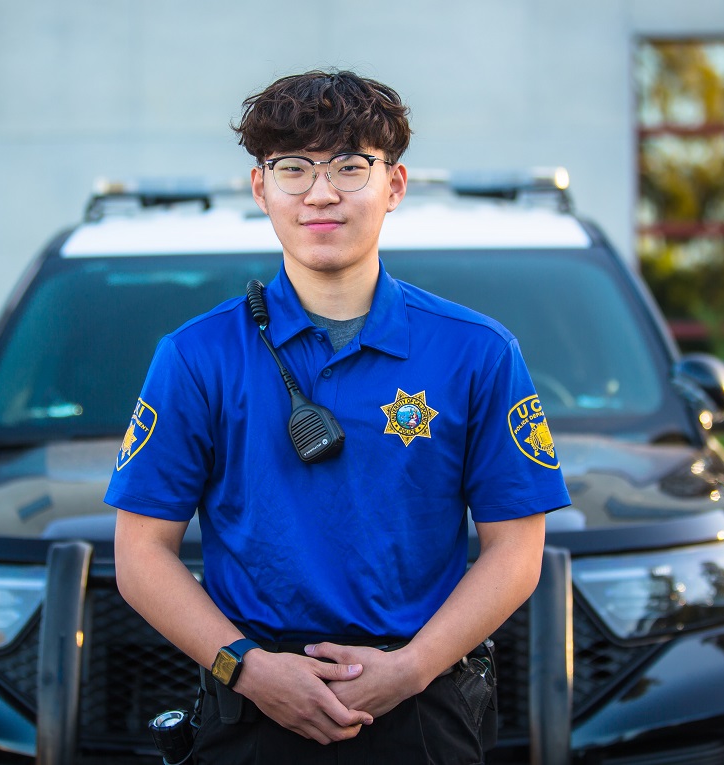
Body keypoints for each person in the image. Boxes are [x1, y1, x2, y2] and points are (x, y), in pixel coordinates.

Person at [106, 69, 571, 764]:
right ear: (261, 188)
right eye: (293, 168)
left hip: (425, 702)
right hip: (253, 706)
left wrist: (411, 668)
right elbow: (140, 553)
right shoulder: (196, 357)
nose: (321, 192)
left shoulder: (478, 352)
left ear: (395, 185)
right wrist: (249, 669)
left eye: (350, 166)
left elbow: (516, 550)